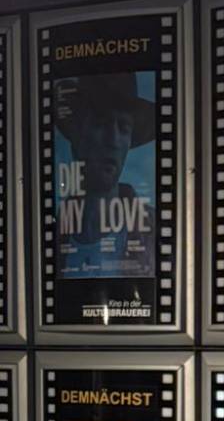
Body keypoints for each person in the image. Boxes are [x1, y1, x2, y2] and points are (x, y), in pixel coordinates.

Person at [54, 72, 155, 277]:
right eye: (101, 124)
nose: (114, 141)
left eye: (124, 128)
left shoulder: (154, 231)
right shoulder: (54, 232)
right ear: (77, 135)